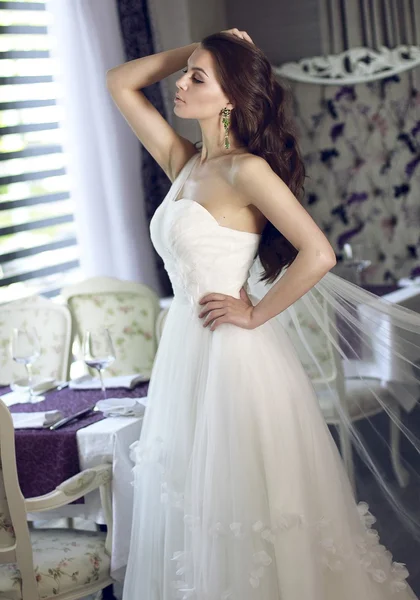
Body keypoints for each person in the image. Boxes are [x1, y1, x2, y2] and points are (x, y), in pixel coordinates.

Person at [107, 29, 420, 599]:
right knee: (197, 502)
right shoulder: (186, 163)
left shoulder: (243, 170)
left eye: (197, 78)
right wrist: (209, 49)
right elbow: (120, 82)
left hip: (235, 356)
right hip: (187, 350)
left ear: (230, 98)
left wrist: (254, 316)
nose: (181, 83)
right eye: (186, 74)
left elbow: (318, 252)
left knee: (248, 502)